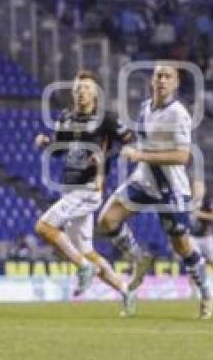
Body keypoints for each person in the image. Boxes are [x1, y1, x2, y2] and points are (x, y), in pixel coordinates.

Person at [95, 64, 213, 319]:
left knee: (181, 244)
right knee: (107, 220)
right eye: (158, 76)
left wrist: (140, 154)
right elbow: (139, 140)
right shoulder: (144, 108)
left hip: (172, 187)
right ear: (152, 81)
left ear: (175, 84)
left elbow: (182, 156)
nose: (161, 80)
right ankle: (139, 259)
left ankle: (206, 290)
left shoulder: (178, 114)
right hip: (144, 180)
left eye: (167, 77)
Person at [33, 70, 136, 316]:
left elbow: (131, 141)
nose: (82, 92)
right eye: (78, 88)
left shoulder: (107, 119)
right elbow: (59, 151)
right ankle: (126, 291)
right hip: (70, 187)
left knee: (44, 227)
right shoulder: (66, 118)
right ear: (73, 92)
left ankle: (82, 267)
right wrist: (46, 143)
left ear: (95, 94)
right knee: (87, 251)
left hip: (89, 188)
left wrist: (104, 156)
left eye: (87, 88)